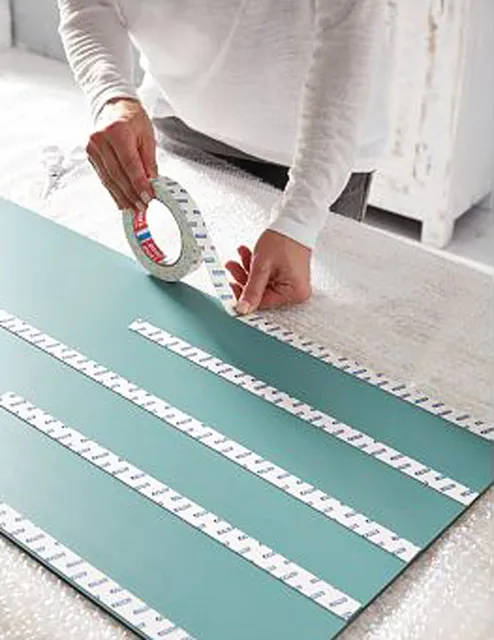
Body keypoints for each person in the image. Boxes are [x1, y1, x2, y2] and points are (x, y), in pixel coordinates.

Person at [57, 0, 389, 314]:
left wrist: (300, 221)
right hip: (179, 118)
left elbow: (350, 40)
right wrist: (111, 95)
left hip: (317, 155)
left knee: (300, 320)